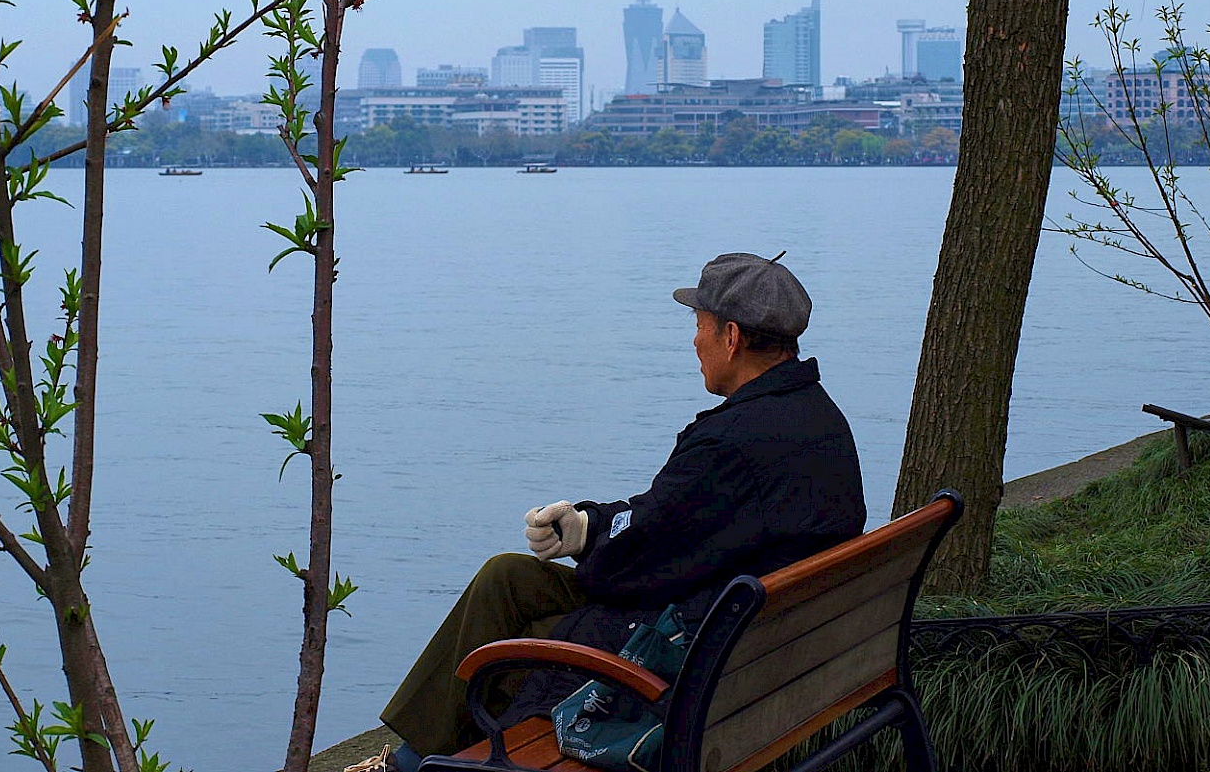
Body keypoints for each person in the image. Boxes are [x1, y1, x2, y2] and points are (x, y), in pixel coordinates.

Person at [365, 252, 866, 772]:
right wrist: (589, 527)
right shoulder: (818, 417)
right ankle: (413, 755)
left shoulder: (730, 443)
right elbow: (671, 524)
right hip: (766, 648)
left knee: (502, 658)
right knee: (507, 578)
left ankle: (414, 763)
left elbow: (636, 565)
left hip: (686, 667)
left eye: (700, 326)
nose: (694, 342)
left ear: (732, 337)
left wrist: (592, 536)